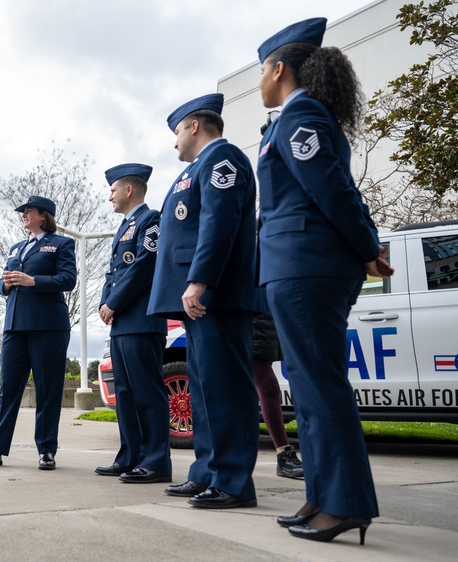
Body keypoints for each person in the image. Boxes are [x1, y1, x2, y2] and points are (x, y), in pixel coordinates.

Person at [255, 17, 393, 544]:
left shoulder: (301, 114)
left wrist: (366, 248)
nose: (261, 82)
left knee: (321, 386)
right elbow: (339, 190)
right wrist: (366, 246)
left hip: (308, 265)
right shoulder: (293, 118)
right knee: (309, 389)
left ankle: (346, 504)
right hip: (297, 265)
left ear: (279, 68)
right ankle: (321, 495)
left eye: (263, 72)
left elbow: (332, 190)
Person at [148, 93, 260, 509]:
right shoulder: (197, 168)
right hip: (200, 299)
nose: (174, 141)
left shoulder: (223, 159)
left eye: (177, 131)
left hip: (218, 295)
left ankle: (232, 482)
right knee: (204, 388)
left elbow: (219, 222)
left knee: (226, 388)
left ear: (194, 126)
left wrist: (200, 280)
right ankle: (206, 472)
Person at [0, 196, 77, 471]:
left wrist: (34, 281)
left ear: (43, 216)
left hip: (48, 326)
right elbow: (2, 280)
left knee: (48, 390)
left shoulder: (61, 243)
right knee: (8, 390)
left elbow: (69, 279)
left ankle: (46, 451)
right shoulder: (16, 247)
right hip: (14, 326)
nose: (24, 215)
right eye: (23, 212)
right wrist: (3, 285)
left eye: (28, 211)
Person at [94, 164, 171, 484]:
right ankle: (130, 456)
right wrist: (103, 302)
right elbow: (114, 273)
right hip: (123, 323)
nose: (109, 195)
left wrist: (114, 302)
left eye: (113, 190)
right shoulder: (125, 226)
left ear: (129, 190)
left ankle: (155, 462)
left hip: (141, 319)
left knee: (147, 391)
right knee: (125, 392)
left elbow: (144, 265)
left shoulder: (149, 220)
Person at [252, 312, 303, 479]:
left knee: (268, 387)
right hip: (250, 317)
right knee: (267, 386)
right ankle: (283, 453)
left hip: (264, 320)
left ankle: (283, 453)